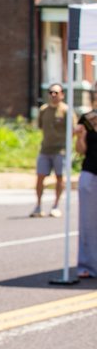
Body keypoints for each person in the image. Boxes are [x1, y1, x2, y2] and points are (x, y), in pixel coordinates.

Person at [33, 82, 68, 218]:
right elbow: (40, 126)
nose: (53, 95)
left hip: (60, 150)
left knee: (59, 177)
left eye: (56, 92)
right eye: (51, 92)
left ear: (62, 95)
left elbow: (73, 130)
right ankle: (38, 206)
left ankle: (56, 206)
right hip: (45, 149)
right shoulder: (43, 110)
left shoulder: (66, 110)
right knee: (40, 176)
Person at [74, 96, 97, 279]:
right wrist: (80, 136)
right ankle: (87, 265)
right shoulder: (88, 119)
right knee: (87, 222)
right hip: (90, 172)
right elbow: (81, 150)